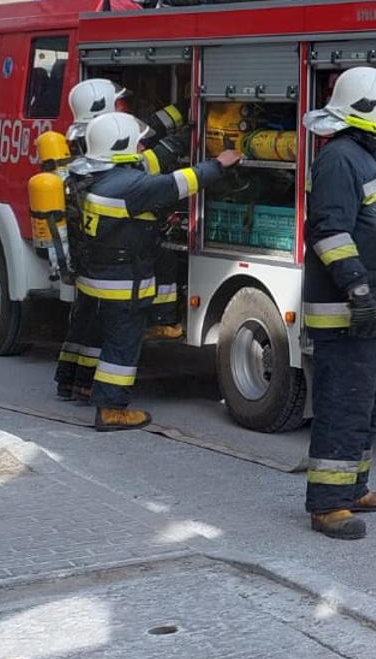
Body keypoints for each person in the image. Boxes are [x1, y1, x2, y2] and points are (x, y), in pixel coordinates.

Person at [299, 67, 376, 540]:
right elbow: (329, 231)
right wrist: (359, 290)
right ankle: (328, 504)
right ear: (367, 112)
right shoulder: (341, 160)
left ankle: (353, 486)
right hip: (348, 315)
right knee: (344, 405)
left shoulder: (364, 160)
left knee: (369, 403)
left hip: (367, 318)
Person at [64, 112, 238, 430]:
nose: (142, 145)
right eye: (137, 141)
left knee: (100, 339)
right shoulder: (129, 185)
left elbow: (148, 168)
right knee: (121, 347)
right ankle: (111, 410)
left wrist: (183, 135)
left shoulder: (87, 176)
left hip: (95, 278)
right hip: (123, 283)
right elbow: (178, 184)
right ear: (122, 146)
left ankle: (87, 388)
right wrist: (220, 163)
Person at [54, 80, 193, 398]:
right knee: (162, 256)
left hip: (89, 245)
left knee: (86, 323)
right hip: (111, 241)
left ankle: (74, 380)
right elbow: (149, 162)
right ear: (104, 108)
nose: (124, 107)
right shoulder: (106, 143)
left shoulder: (86, 135)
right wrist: (187, 137)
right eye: (118, 103)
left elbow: (153, 126)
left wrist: (185, 108)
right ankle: (161, 320)